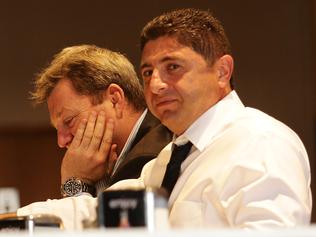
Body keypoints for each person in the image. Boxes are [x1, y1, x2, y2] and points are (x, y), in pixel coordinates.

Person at [17, 9, 311, 229]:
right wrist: (11, 220)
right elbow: (94, 213)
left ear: (222, 71)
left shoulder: (262, 141)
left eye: (173, 66)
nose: (155, 85)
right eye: (147, 72)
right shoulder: (172, 157)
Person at [30, 44, 172, 196]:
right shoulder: (119, 159)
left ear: (114, 99)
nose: (61, 141)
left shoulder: (151, 157)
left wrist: (75, 181)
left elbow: (107, 220)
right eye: (57, 129)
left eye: (69, 120)